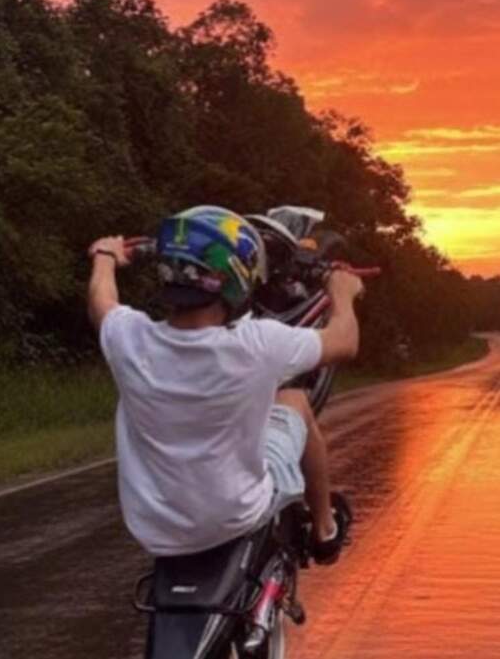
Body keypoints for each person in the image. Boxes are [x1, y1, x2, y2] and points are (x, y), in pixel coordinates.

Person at [87, 206, 363, 563]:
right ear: (237, 279)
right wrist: (342, 293)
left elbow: (101, 302)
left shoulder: (128, 337)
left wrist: (105, 257)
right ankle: (325, 529)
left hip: (155, 530)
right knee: (295, 399)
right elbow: (345, 341)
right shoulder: (258, 344)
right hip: (235, 516)